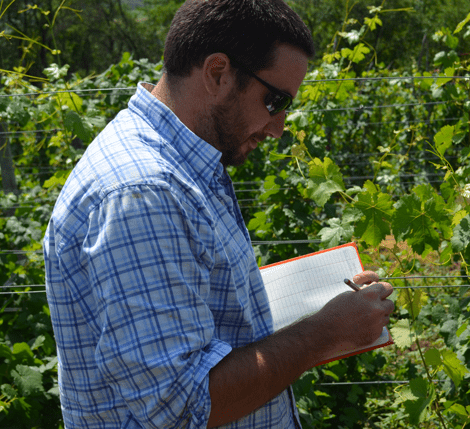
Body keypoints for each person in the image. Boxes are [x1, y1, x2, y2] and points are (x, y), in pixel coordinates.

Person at [43, 0, 395, 428]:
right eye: (275, 100)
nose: (279, 127)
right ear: (217, 73)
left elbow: (199, 310)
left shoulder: (187, 164)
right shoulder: (143, 193)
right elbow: (183, 407)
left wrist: (318, 306)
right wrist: (323, 333)